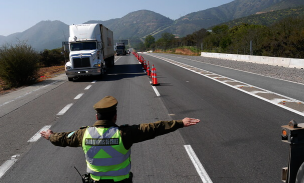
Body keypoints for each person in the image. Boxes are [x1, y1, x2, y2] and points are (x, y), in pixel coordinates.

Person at [40, 96, 200, 183]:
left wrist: (49, 136)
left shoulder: (84, 134)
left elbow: (62, 139)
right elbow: (153, 128)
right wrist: (179, 123)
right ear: (115, 116)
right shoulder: (125, 134)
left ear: (96, 116)